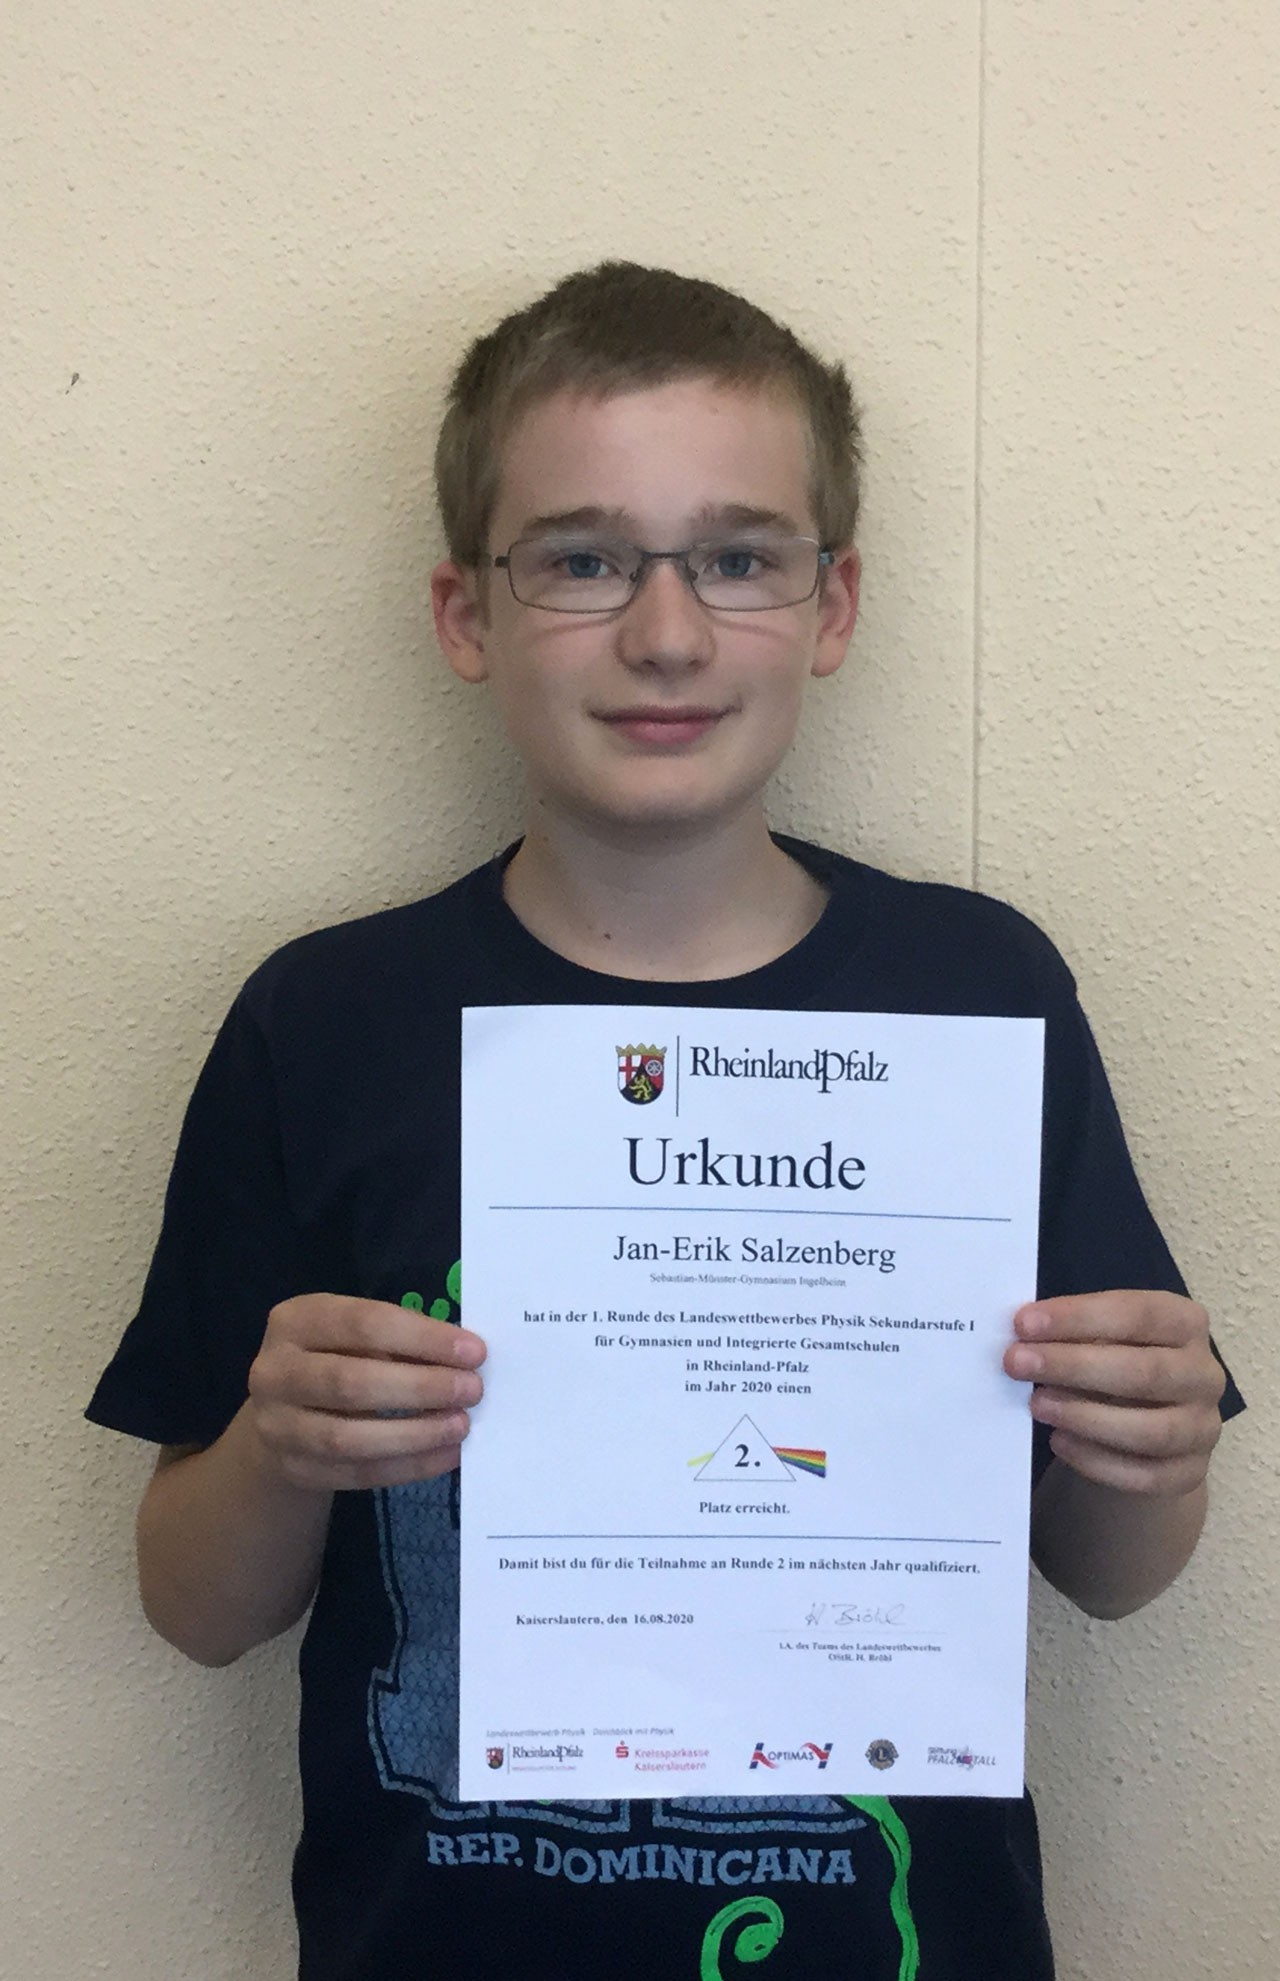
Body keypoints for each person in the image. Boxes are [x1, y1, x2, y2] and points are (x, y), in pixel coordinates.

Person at [88, 262, 1243, 1981]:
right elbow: (196, 1607)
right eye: (580, 559)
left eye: (739, 557)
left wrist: (1154, 1444)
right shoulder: (324, 1020)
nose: (668, 632)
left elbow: (1113, 1572)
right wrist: (281, 1441)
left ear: (833, 604)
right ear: (465, 615)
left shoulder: (978, 994)